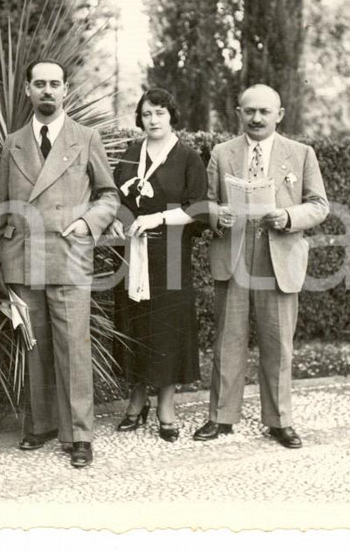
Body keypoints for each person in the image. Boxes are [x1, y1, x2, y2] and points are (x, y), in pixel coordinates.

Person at [0, 59, 119, 468]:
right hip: (23, 255)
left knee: (73, 348)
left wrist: (87, 222)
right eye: (40, 84)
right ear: (28, 90)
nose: (47, 91)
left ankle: (79, 434)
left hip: (68, 254)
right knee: (35, 344)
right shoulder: (12, 142)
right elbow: (2, 203)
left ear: (66, 91)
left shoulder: (86, 137)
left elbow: (109, 196)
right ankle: (42, 423)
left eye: (55, 84)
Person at [194, 84, 329, 449]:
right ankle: (221, 416)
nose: (256, 118)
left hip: (278, 258)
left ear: (279, 114)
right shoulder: (222, 153)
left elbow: (319, 205)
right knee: (228, 341)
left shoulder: (301, 154)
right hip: (234, 254)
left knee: (278, 344)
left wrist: (287, 215)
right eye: (249, 111)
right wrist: (215, 215)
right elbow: (204, 203)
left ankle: (280, 421)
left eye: (264, 112)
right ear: (239, 113)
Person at [108, 88, 207, 442]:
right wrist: (120, 219)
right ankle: (136, 400)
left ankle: (166, 406)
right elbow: (116, 197)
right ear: (140, 118)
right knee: (135, 326)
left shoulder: (187, 157)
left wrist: (156, 219)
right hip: (133, 254)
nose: (153, 120)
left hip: (171, 256)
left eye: (160, 113)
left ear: (171, 116)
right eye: (147, 114)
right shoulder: (131, 153)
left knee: (167, 329)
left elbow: (199, 209)